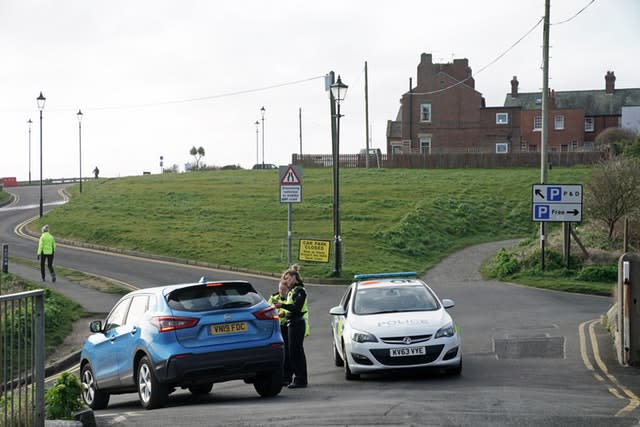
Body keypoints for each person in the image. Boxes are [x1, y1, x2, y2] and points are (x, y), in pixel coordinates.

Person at [275, 264, 308, 388]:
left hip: (297, 323)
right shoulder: (292, 291)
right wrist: (284, 313)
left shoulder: (300, 290)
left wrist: (281, 306)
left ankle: (301, 379)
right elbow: (291, 309)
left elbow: (296, 307)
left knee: (296, 352)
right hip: (291, 323)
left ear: (295, 277)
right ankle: (298, 378)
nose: (286, 281)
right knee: (293, 352)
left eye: (288, 278)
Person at [268, 279, 292, 385]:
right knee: (280, 354)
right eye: (280, 288)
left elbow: (289, 310)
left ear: (288, 289)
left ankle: (287, 377)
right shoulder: (273, 298)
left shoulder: (289, 298)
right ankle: (282, 376)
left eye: (283, 289)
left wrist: (282, 313)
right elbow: (268, 310)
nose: (281, 291)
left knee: (288, 353)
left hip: (287, 327)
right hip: (277, 328)